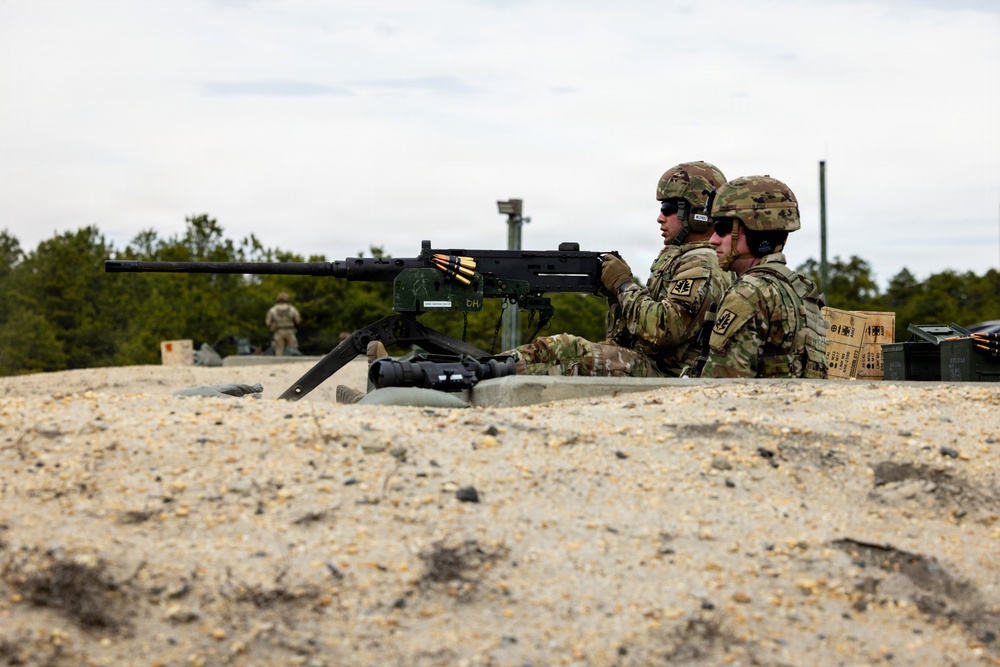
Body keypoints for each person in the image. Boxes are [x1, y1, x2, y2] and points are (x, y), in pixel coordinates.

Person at [505, 161, 731, 377]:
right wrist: (616, 295)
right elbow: (627, 336)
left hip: (668, 373)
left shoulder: (702, 262)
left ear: (697, 212)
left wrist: (624, 285)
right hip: (649, 363)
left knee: (567, 351)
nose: (660, 217)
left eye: (668, 208)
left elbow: (663, 329)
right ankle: (483, 368)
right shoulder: (680, 256)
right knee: (555, 351)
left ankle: (483, 371)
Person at [699, 175, 827, 378]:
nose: (713, 240)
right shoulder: (802, 290)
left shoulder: (748, 293)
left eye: (722, 229)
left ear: (755, 233)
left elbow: (721, 386)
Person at [265, 292, 301, 356]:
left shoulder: (273, 310)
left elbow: (268, 322)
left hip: (278, 332)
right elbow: (298, 321)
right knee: (292, 351)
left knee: (278, 351)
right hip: (290, 331)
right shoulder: (292, 309)